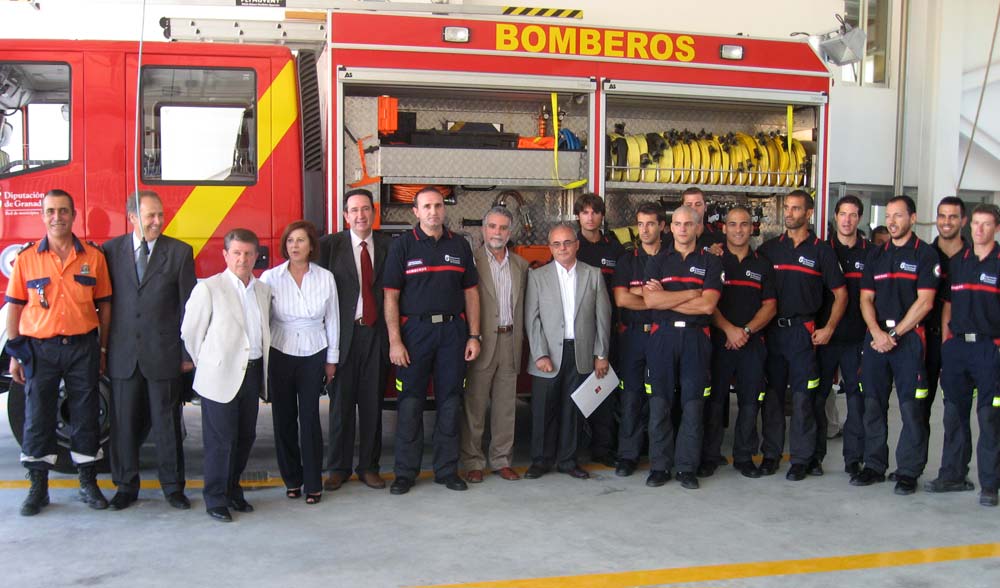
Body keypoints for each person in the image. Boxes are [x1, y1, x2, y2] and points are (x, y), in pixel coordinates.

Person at [6, 189, 112, 516]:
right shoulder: (27, 258)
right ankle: (38, 489)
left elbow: (104, 305)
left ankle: (87, 484)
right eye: (50, 211)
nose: (57, 217)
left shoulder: (93, 257)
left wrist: (103, 348)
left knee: (85, 417)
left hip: (82, 347)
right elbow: (15, 307)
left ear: (73, 215)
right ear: (43, 216)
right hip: (41, 350)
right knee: (38, 417)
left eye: (63, 211)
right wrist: (16, 352)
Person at [383, 186, 481, 495]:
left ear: (444, 209)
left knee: (450, 403)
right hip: (415, 334)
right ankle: (405, 473)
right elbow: (391, 297)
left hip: (453, 333)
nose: (433, 212)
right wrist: (395, 342)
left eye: (438, 205)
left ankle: (446, 470)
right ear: (415, 211)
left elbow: (471, 294)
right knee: (410, 403)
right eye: (426, 206)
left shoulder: (460, 246)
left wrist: (474, 335)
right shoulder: (402, 247)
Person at [103, 190, 196, 511]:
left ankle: (173, 487)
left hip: (164, 354)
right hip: (123, 355)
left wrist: (187, 354)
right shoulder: (110, 251)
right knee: (124, 425)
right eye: (150, 216)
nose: (158, 221)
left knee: (167, 424)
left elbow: (188, 308)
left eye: (160, 215)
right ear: (132, 218)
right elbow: (104, 304)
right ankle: (125, 486)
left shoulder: (180, 253)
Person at [181, 229, 271, 522]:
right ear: (225, 255)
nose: (242, 259)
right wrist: (210, 363)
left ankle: (233, 490)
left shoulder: (262, 290)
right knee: (221, 440)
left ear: (256, 256)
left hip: (253, 372)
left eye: (248, 253)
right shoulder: (208, 288)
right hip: (220, 375)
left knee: (245, 436)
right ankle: (215, 498)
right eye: (236, 253)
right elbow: (190, 334)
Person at [758, 190, 846, 480]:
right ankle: (771, 455)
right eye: (788, 208)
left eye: (796, 209)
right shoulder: (769, 250)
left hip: (803, 334)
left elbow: (840, 294)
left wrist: (829, 327)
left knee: (802, 399)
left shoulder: (822, 251)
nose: (790, 213)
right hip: (772, 333)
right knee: (772, 398)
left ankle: (801, 459)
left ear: (809, 213)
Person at [853, 195, 937, 495]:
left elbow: (925, 302)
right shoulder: (876, 255)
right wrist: (876, 332)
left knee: (911, 407)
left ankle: (908, 472)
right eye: (888, 215)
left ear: (912, 219)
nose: (892, 221)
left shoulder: (925, 255)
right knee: (873, 405)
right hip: (876, 340)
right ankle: (874, 466)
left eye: (898, 215)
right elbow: (865, 299)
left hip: (909, 341)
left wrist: (896, 335)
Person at [642, 205, 722, 489]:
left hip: (696, 339)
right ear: (670, 227)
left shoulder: (711, 262)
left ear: (698, 227)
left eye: (689, 224)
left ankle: (687, 468)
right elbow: (650, 302)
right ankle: (660, 467)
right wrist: (690, 292)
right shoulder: (657, 260)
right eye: (677, 223)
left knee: (693, 405)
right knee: (660, 404)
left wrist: (668, 297)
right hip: (662, 338)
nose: (683, 229)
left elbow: (708, 305)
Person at [524, 222, 611, 480]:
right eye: (556, 244)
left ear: (577, 245)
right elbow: (532, 318)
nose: (562, 248)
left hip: (581, 352)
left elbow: (603, 318)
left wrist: (601, 354)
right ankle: (540, 461)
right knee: (543, 410)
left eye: (567, 242)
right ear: (550, 247)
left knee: (573, 410)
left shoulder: (593, 275)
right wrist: (539, 354)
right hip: (547, 355)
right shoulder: (538, 276)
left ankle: (568, 460)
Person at [260, 221, 339, 505]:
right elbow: (263, 319)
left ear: (311, 245)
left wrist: (331, 359)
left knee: (309, 420)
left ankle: (314, 483)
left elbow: (333, 319)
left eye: (301, 240)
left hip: (314, 351)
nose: (295, 245)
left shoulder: (325, 277)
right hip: (280, 350)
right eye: (290, 240)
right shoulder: (270, 277)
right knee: (283, 420)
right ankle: (292, 479)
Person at [319, 188, 392, 491]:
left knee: (373, 404)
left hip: (376, 335)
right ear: (346, 215)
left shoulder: (389, 246)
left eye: (365, 209)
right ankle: (338, 468)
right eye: (354, 210)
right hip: (343, 336)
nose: (360, 215)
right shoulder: (329, 246)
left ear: (373, 213)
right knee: (341, 405)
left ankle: (369, 467)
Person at [928, 203, 1000, 507]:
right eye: (977, 224)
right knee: (954, 414)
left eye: (986, 224)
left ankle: (990, 485)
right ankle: (953, 474)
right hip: (957, 347)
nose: (980, 230)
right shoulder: (960, 263)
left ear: (996, 228)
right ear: (969, 227)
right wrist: (947, 343)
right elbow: (947, 305)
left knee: (989, 416)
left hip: (990, 349)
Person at [701, 206, 776, 479]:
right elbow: (707, 303)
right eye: (732, 224)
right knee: (715, 401)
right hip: (719, 342)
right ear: (724, 228)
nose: (738, 230)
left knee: (749, 402)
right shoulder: (714, 261)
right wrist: (729, 330)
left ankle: (744, 457)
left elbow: (770, 306)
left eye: (744, 224)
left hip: (752, 343)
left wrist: (744, 331)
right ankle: (709, 456)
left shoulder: (762, 263)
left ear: (752, 228)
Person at [460, 206, 529, 483]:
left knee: (505, 406)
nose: (497, 233)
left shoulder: (521, 266)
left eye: (502, 228)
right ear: (483, 230)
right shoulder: (471, 262)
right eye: (492, 227)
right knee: (474, 405)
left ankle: (501, 459)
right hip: (482, 341)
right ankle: (473, 461)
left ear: (509, 232)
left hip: (510, 340)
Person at [815, 195, 870, 477]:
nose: (847, 220)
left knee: (856, 400)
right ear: (835, 216)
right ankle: (815, 457)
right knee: (819, 397)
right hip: (824, 339)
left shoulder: (871, 253)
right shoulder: (822, 250)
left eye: (853, 215)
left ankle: (853, 459)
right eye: (843, 214)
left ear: (859, 218)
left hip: (858, 339)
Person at [611, 202, 665, 477]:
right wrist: (659, 301)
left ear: (662, 227)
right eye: (640, 224)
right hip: (633, 338)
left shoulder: (672, 259)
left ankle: (659, 459)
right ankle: (628, 456)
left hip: (663, 337)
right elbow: (621, 299)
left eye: (650, 224)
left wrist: (646, 299)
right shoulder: (627, 260)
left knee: (660, 398)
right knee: (630, 396)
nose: (644, 230)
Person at [574, 193, 625, 468]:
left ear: (602, 216)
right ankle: (572, 447)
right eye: (585, 212)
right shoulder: (571, 247)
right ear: (578, 216)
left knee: (604, 391)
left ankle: (603, 448)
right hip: (578, 332)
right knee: (575, 390)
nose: (590, 217)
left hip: (609, 332)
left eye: (595, 212)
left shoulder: (614, 249)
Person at [923, 197, 967, 447]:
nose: (946, 222)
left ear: (963, 221)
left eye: (952, 217)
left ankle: (953, 471)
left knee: (956, 409)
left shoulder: (974, 258)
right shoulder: (925, 255)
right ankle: (911, 469)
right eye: (942, 216)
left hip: (959, 342)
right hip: (926, 338)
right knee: (918, 406)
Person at [662, 187, 726, 253]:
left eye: (698, 204)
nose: (694, 209)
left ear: (705, 207)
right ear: (682, 207)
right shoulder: (668, 239)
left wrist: (716, 257)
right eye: (689, 205)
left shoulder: (718, 238)